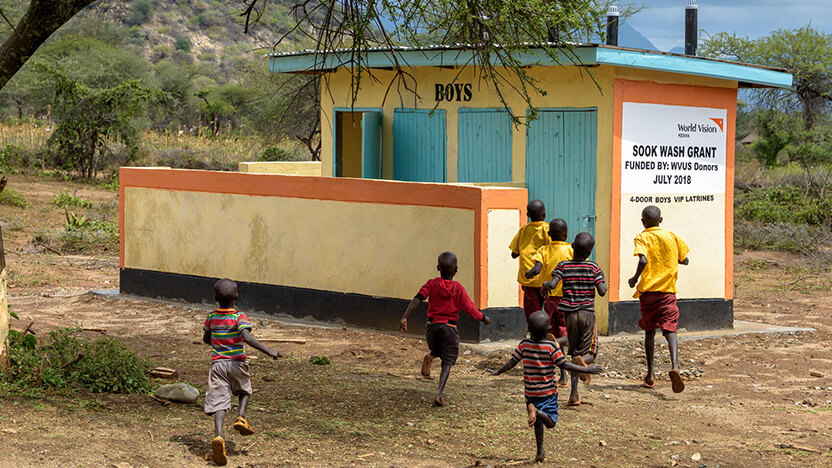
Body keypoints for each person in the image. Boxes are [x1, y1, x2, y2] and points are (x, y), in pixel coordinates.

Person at [487, 311, 601, 462]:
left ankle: (540, 451)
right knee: (551, 422)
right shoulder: (550, 347)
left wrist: (498, 371)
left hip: (531, 393)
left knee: (537, 424)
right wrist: (586, 369)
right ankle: (537, 413)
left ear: (529, 329)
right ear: (549, 330)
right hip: (548, 393)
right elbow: (565, 364)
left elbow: (512, 362)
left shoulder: (524, 344)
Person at [203, 279, 280, 466]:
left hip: (218, 365)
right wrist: (268, 350)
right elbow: (246, 337)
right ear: (237, 296)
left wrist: (218, 342)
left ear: (215, 298)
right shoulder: (239, 316)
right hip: (237, 363)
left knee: (219, 402)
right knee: (244, 390)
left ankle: (219, 436)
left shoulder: (211, 317)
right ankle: (241, 418)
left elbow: (207, 339)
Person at [400, 252, 491, 406]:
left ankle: (431, 354)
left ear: (437, 268)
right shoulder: (458, 288)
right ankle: (438, 394)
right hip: (449, 327)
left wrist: (404, 316)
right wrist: (484, 318)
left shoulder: (431, 283)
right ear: (456, 270)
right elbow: (470, 309)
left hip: (431, 326)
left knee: (437, 349)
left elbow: (417, 299)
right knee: (447, 361)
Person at [627, 205, 690, 393]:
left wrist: (635, 278)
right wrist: (669, 258)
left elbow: (644, 260)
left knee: (649, 331)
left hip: (648, 293)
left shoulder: (642, 237)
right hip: (668, 292)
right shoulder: (671, 236)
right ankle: (676, 366)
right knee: (670, 328)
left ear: (642, 222)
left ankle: (651, 374)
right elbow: (685, 260)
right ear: (660, 221)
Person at [542, 232, 606, 407]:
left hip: (569, 314)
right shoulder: (594, 268)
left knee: (574, 348)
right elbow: (602, 291)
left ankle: (574, 394)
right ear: (589, 252)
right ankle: (583, 364)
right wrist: (602, 280)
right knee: (590, 352)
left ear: (572, 246)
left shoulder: (563, 266)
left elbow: (552, 284)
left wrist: (544, 286)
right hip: (587, 314)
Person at [524, 218, 573, 387]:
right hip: (569, 298)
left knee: (554, 334)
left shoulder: (543, 250)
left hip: (552, 299)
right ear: (566, 235)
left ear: (550, 235)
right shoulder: (571, 250)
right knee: (566, 331)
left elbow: (536, 269)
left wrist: (529, 274)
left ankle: (561, 373)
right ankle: (572, 363)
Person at [509, 200, 551, 319]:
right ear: (544, 215)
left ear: (528, 215)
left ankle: (534, 335)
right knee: (550, 311)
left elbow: (514, 253)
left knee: (532, 313)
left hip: (528, 279)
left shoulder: (523, 231)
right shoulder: (548, 230)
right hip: (546, 279)